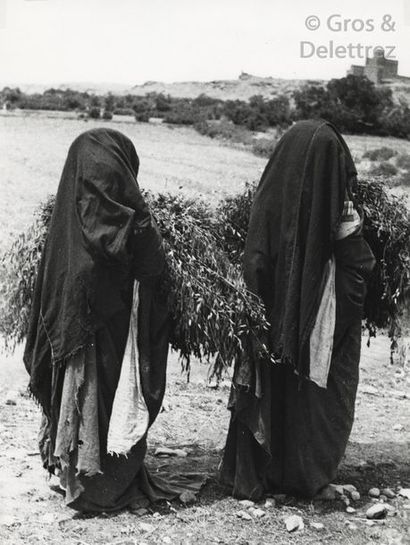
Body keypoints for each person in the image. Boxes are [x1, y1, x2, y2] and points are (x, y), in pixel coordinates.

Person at [24, 128, 200, 512]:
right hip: (102, 314)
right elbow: (145, 260)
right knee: (107, 388)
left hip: (73, 314)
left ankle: (74, 474)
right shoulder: (126, 222)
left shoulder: (70, 219)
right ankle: (103, 488)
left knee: (86, 389)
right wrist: (146, 232)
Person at [220, 119, 376, 499]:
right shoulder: (337, 215)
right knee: (318, 393)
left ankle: (267, 470)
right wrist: (352, 240)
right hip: (319, 321)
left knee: (276, 385)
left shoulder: (269, 200)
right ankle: (307, 476)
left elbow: (255, 262)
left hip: (269, 316)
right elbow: (356, 281)